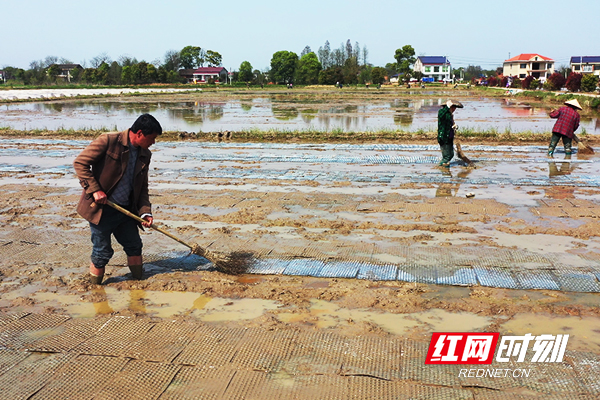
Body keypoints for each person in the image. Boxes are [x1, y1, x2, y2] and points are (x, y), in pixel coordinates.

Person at [73, 114, 162, 285]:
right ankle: (96, 290)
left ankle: (139, 285)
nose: (153, 142)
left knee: (135, 246)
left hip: (126, 210)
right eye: (152, 138)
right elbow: (80, 163)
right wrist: (95, 190)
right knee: (102, 252)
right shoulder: (108, 141)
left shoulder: (145, 155)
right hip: (101, 209)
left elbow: (142, 187)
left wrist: (145, 213)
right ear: (140, 133)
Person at [437, 100, 463, 167]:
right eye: (453, 107)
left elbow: (450, 124)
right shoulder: (441, 112)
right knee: (447, 156)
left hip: (449, 137)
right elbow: (441, 115)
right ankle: (442, 166)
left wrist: (454, 126)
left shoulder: (450, 115)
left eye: (455, 108)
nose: (454, 109)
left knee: (451, 154)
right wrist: (447, 107)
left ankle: (445, 165)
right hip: (443, 137)